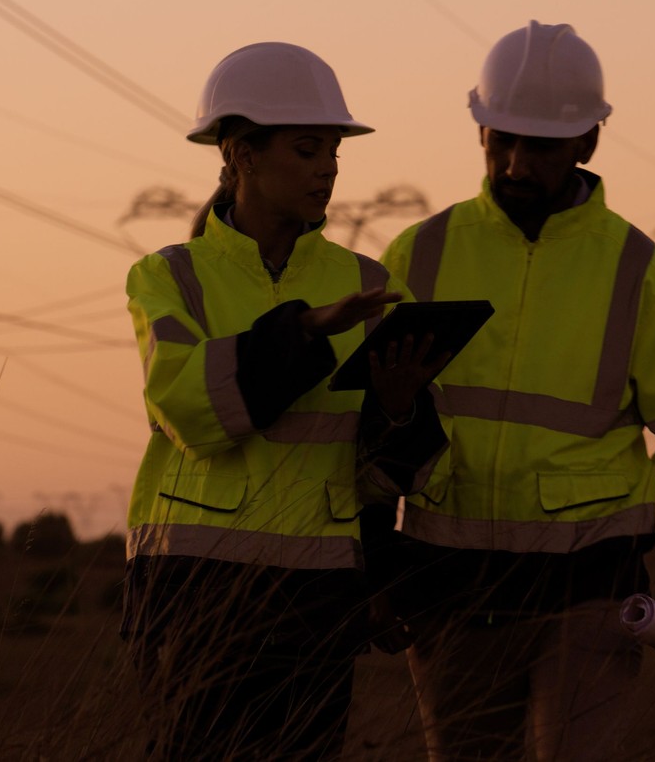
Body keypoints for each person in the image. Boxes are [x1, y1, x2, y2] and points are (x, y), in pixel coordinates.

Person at [380, 21, 655, 761]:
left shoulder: (638, 270)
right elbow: (372, 422)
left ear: (588, 142)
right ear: (482, 130)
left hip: (590, 597)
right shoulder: (419, 253)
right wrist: (374, 563)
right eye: (504, 142)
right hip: (451, 597)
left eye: (543, 146)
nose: (518, 164)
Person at [121, 42, 449, 762]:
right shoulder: (168, 276)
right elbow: (191, 408)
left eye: (333, 150)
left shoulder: (364, 279)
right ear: (240, 152)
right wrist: (301, 332)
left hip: (317, 602)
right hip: (192, 594)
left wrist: (397, 409)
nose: (328, 167)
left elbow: (381, 478)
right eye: (306, 149)